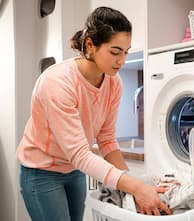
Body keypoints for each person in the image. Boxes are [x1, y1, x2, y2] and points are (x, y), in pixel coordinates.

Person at [17, 6, 172, 221]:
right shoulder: (57, 82)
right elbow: (80, 154)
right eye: (115, 52)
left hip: (73, 171)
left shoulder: (113, 83)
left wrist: (133, 187)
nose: (122, 61)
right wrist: (136, 186)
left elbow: (107, 139)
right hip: (42, 172)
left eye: (126, 52)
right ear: (90, 45)